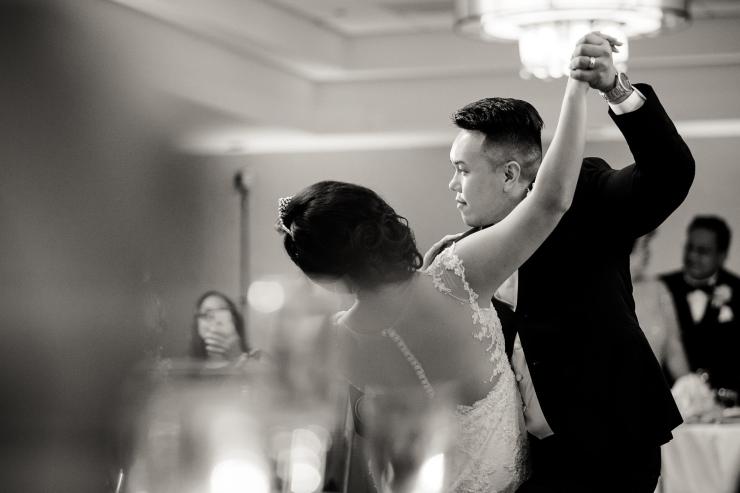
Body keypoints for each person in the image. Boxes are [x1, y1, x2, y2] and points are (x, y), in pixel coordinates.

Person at [276, 63, 591, 491]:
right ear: (385, 220)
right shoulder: (457, 276)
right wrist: (576, 89)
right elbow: (551, 201)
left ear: (324, 274)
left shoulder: (337, 341)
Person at [424, 32, 694, 492]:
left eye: (463, 170)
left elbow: (669, 176)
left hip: (614, 447)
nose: (453, 184)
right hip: (531, 460)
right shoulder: (468, 252)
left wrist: (617, 91)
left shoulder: (583, 194)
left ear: (510, 175)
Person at [661, 215, 740, 395]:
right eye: (689, 247)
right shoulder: (662, 287)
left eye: (703, 251)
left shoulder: (738, 291)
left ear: (722, 255)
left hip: (726, 399)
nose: (692, 256)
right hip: (669, 399)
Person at [630, 232, 690, 384]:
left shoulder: (657, 289)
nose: (648, 252)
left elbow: (674, 349)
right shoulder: (597, 291)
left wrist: (690, 387)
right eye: (643, 245)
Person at [191, 290, 262, 364]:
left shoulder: (257, 357)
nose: (216, 320)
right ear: (197, 323)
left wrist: (237, 355)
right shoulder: (189, 364)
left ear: (234, 320)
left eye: (222, 312)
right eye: (207, 314)